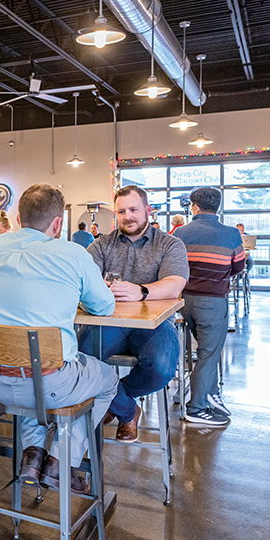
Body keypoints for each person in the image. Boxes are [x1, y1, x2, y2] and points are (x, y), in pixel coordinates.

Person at [0, 183, 118, 491]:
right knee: (107, 379)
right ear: (57, 223)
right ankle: (62, 461)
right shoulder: (73, 254)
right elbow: (104, 306)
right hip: (49, 386)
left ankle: (33, 454)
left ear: (19, 219)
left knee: (31, 362)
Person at [79, 185, 189, 441]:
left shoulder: (170, 244)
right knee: (81, 360)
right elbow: (83, 277)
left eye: (133, 209)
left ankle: (112, 400)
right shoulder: (101, 244)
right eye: (121, 211)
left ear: (148, 210)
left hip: (155, 325)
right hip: (108, 322)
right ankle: (127, 411)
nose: (127, 216)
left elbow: (176, 282)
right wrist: (97, 287)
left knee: (161, 369)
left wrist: (142, 291)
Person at [172, 187, 246, 426]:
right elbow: (238, 267)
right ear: (218, 207)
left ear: (194, 206)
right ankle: (196, 407)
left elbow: (173, 265)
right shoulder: (231, 234)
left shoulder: (181, 232)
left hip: (184, 301)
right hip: (213, 301)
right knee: (208, 353)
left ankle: (211, 394)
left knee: (205, 350)